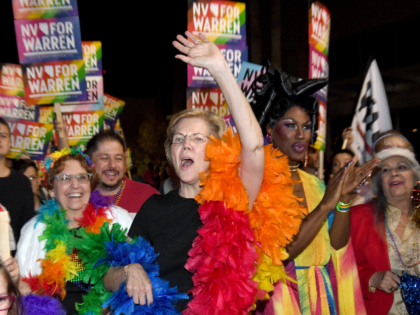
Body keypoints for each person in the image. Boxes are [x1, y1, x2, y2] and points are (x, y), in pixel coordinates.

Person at [128, 31, 267, 313]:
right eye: (178, 139)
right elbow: (110, 273)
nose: (186, 144)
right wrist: (128, 269)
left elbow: (253, 147)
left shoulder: (233, 198)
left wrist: (220, 69)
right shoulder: (153, 207)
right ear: (170, 153)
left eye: (197, 139)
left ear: (217, 149)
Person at [251, 65, 380, 315]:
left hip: (321, 297)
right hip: (278, 299)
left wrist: (342, 199)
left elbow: (336, 245)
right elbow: (279, 256)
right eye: (290, 125)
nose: (301, 135)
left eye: (307, 126)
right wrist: (325, 206)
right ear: (269, 129)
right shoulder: (257, 184)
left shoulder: (315, 184)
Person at [15, 148, 134, 314]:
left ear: (90, 185)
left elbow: (139, 275)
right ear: (51, 189)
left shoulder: (117, 220)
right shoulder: (33, 231)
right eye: (64, 178)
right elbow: (21, 293)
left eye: (81, 177)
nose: (75, 185)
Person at [351, 144, 420, 314]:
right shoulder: (359, 217)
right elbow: (337, 270)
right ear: (380, 182)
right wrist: (371, 279)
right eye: (386, 170)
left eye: (401, 167)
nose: (394, 173)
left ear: (415, 176)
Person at [86, 131, 159, 219]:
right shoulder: (77, 199)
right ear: (89, 162)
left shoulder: (149, 197)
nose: (112, 165)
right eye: (104, 158)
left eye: (118, 158)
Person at [0, 117, 35, 254]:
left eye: (3, 136)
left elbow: (28, 228)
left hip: (14, 265)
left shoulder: (22, 182)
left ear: (10, 143)